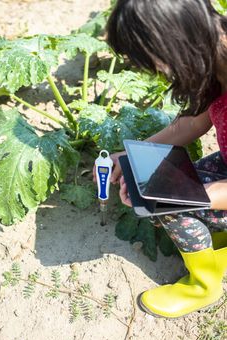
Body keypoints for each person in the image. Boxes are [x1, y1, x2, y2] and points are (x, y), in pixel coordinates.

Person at [93, 0, 227, 318]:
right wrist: (135, 153)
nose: (157, 71)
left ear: (178, 44)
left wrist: (188, 196)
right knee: (164, 186)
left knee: (169, 205)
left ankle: (204, 286)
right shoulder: (215, 52)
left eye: (156, 62)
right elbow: (193, 122)